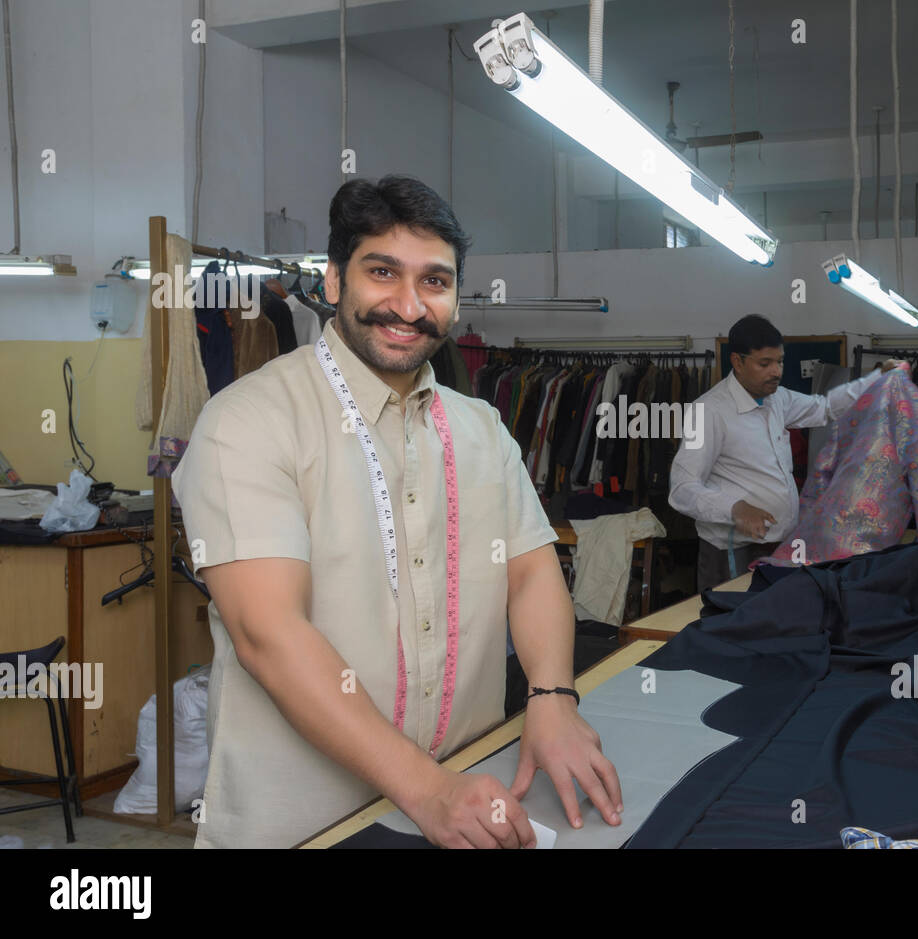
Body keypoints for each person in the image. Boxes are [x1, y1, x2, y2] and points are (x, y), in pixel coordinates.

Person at [174, 175, 621, 848]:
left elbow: (532, 572)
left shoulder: (482, 429)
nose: (409, 305)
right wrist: (429, 789)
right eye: (382, 272)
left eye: (435, 281)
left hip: (469, 798)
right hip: (304, 828)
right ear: (332, 282)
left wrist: (553, 698)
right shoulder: (248, 422)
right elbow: (269, 633)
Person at [668, 314, 901, 592]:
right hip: (732, 553)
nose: (776, 371)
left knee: (775, 625)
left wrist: (877, 379)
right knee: (732, 627)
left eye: (779, 361)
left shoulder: (776, 399)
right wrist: (734, 508)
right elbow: (682, 489)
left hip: (778, 545)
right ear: (737, 362)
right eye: (764, 363)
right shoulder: (706, 413)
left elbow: (824, 408)